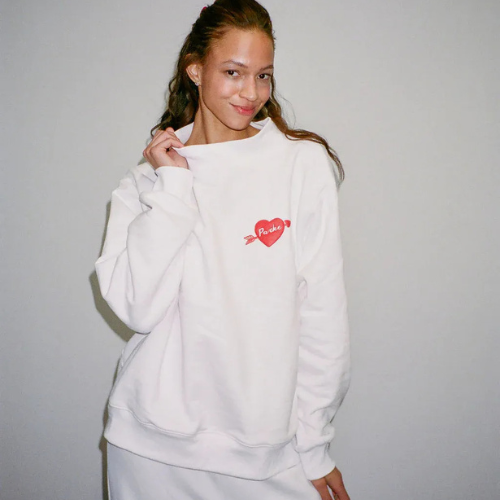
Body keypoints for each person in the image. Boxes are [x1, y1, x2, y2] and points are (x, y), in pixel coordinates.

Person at [95, 0, 351, 499]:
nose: (250, 92)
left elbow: (324, 317)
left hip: (264, 451)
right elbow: (137, 309)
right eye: (233, 72)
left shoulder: (301, 165)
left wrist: (315, 445)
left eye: (263, 76)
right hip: (150, 449)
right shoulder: (146, 183)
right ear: (195, 69)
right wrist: (174, 187)